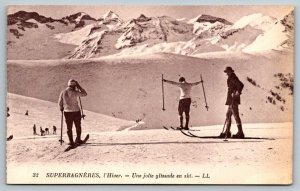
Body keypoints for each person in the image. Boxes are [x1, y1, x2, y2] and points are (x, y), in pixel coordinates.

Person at [58, 79, 87, 147]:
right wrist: (79, 86)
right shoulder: (75, 92)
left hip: (67, 112)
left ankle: (71, 141)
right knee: (78, 126)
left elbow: (60, 102)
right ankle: (78, 139)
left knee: (69, 127)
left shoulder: (63, 91)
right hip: (76, 111)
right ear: (74, 85)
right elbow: (84, 94)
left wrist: (61, 108)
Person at [222, 66, 245, 138]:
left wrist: (237, 92)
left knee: (235, 115)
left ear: (231, 72)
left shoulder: (233, 78)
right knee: (228, 114)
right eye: (226, 72)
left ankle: (240, 133)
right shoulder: (231, 77)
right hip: (231, 99)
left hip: (233, 99)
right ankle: (227, 131)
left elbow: (241, 85)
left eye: (227, 72)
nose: (227, 73)